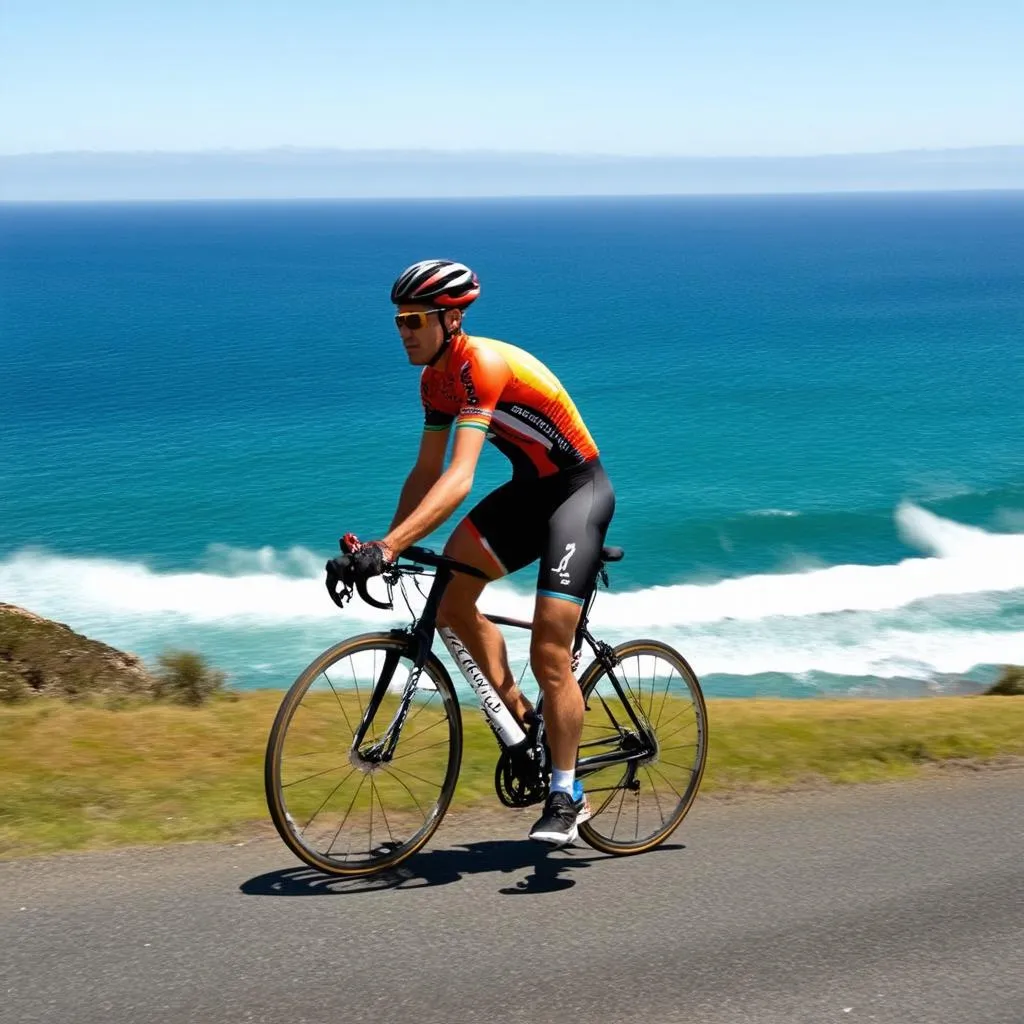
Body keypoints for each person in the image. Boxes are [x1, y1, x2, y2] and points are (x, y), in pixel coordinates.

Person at [341, 258, 615, 845]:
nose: (405, 332)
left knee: (549, 654)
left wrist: (392, 545)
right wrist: (380, 547)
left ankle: (568, 795)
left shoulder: (480, 366)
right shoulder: (434, 381)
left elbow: (461, 477)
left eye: (415, 320)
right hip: (526, 495)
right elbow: (425, 472)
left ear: (451, 317)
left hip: (577, 494)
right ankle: (525, 722)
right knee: (451, 605)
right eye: (398, 323)